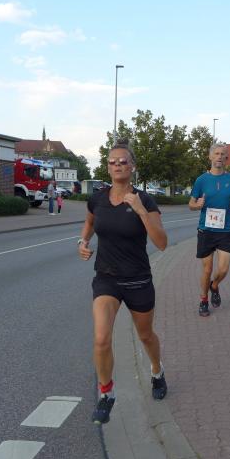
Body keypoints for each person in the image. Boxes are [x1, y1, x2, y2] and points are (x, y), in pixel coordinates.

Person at [78, 139, 169, 425]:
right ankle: (107, 393)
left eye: (123, 161)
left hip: (138, 279)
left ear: (132, 167)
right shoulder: (98, 199)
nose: (117, 165)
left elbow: (162, 243)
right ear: (107, 168)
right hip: (106, 278)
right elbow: (90, 223)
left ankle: (157, 370)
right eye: (112, 162)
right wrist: (83, 241)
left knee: (146, 336)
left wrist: (140, 210)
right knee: (101, 338)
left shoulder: (146, 200)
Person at [189, 143, 230, 317]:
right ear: (210, 157)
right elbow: (191, 204)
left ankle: (214, 285)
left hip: (225, 230)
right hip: (206, 230)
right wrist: (197, 205)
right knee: (207, 269)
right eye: (216, 153)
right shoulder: (201, 180)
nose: (219, 157)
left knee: (223, 269)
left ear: (226, 158)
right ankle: (203, 300)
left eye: (222, 154)